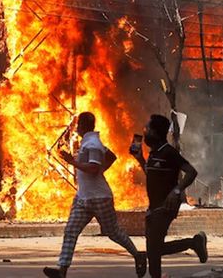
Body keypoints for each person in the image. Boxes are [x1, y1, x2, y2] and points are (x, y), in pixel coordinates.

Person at [44, 112, 147, 278]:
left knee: (113, 232)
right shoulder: (90, 142)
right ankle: (62, 270)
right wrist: (101, 169)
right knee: (71, 231)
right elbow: (111, 157)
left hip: (99, 197)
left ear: (83, 126)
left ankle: (138, 255)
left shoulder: (92, 144)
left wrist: (72, 162)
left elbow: (92, 169)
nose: (76, 127)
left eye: (78, 125)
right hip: (83, 197)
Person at [129, 114, 208, 278]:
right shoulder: (153, 154)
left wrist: (177, 190)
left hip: (166, 206)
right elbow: (151, 175)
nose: (145, 132)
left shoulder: (168, 152)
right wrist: (140, 160)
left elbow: (191, 172)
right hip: (154, 207)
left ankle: (193, 243)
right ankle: (194, 242)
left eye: (148, 129)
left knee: (154, 251)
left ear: (156, 133)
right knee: (154, 249)